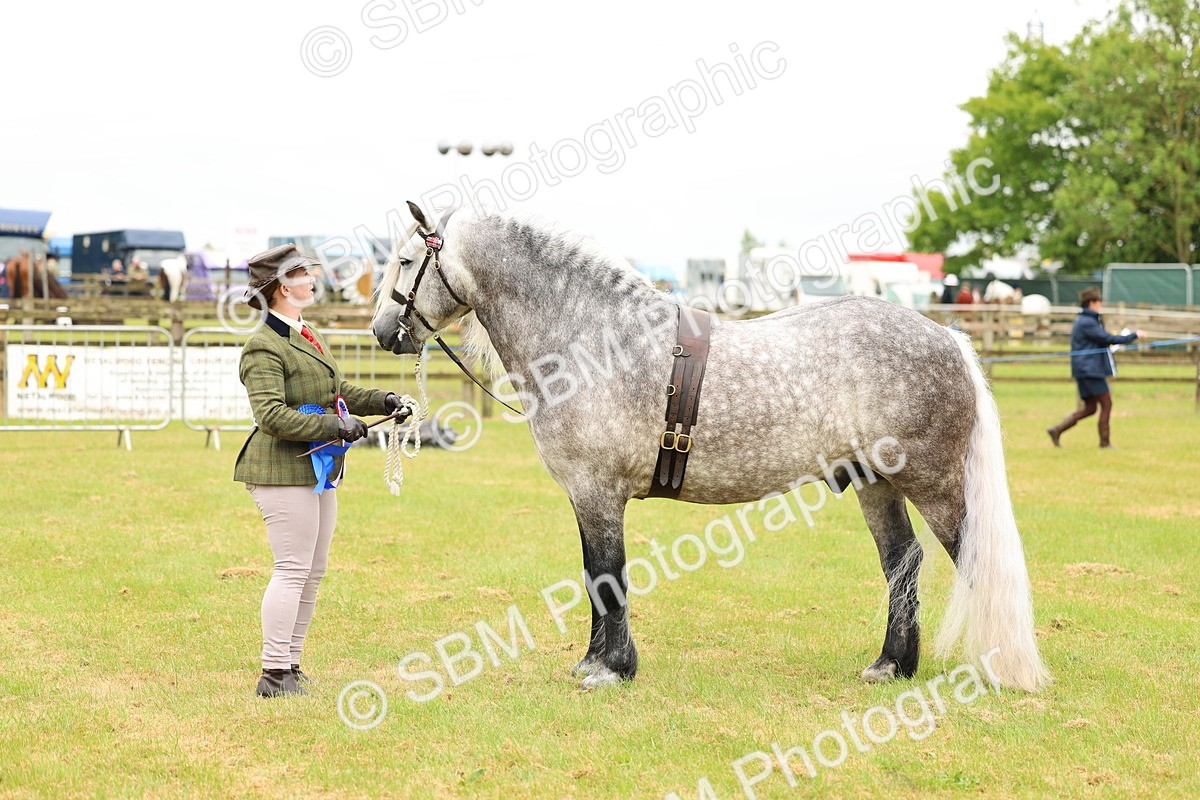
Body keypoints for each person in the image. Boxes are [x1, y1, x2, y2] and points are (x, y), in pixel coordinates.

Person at [233, 243, 408, 698]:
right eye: (302, 274)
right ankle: (273, 674)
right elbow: (271, 416)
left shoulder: (306, 332)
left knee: (313, 571)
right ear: (280, 287)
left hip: (317, 468)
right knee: (292, 569)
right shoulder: (262, 347)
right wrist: (335, 425)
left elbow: (336, 389)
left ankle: (291, 665)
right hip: (281, 469)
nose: (312, 279)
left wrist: (384, 400)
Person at [1046, 287, 1145, 448]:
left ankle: (1056, 430)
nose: (1101, 304)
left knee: (1091, 408)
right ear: (1091, 303)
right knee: (1107, 403)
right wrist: (1133, 335)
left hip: (1085, 370)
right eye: (1099, 301)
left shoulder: (1087, 320)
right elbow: (1108, 338)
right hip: (1090, 371)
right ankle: (1105, 443)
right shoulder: (1087, 322)